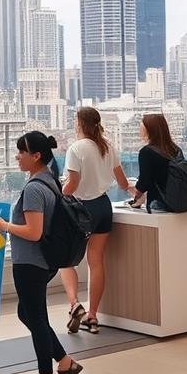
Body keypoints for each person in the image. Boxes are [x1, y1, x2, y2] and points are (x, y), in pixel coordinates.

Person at [0, 131, 82, 374]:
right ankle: (65, 363)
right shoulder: (50, 181)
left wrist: (5, 226)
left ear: (36, 156)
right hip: (43, 261)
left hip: (30, 262)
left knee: (37, 319)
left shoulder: (33, 188)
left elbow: (34, 232)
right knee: (28, 314)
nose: (17, 157)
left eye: (22, 152)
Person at [59, 107, 132, 335]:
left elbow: (72, 185)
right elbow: (122, 182)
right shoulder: (108, 147)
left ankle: (74, 305)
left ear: (80, 124)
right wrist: (135, 191)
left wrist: (58, 192)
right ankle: (92, 316)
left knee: (66, 259)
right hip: (103, 207)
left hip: (81, 209)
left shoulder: (76, 149)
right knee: (96, 261)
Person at [131, 113, 181, 211]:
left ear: (149, 131)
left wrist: (136, 199)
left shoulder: (146, 151)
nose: (140, 132)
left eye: (142, 129)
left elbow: (144, 182)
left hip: (160, 202)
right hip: (179, 200)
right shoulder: (175, 149)